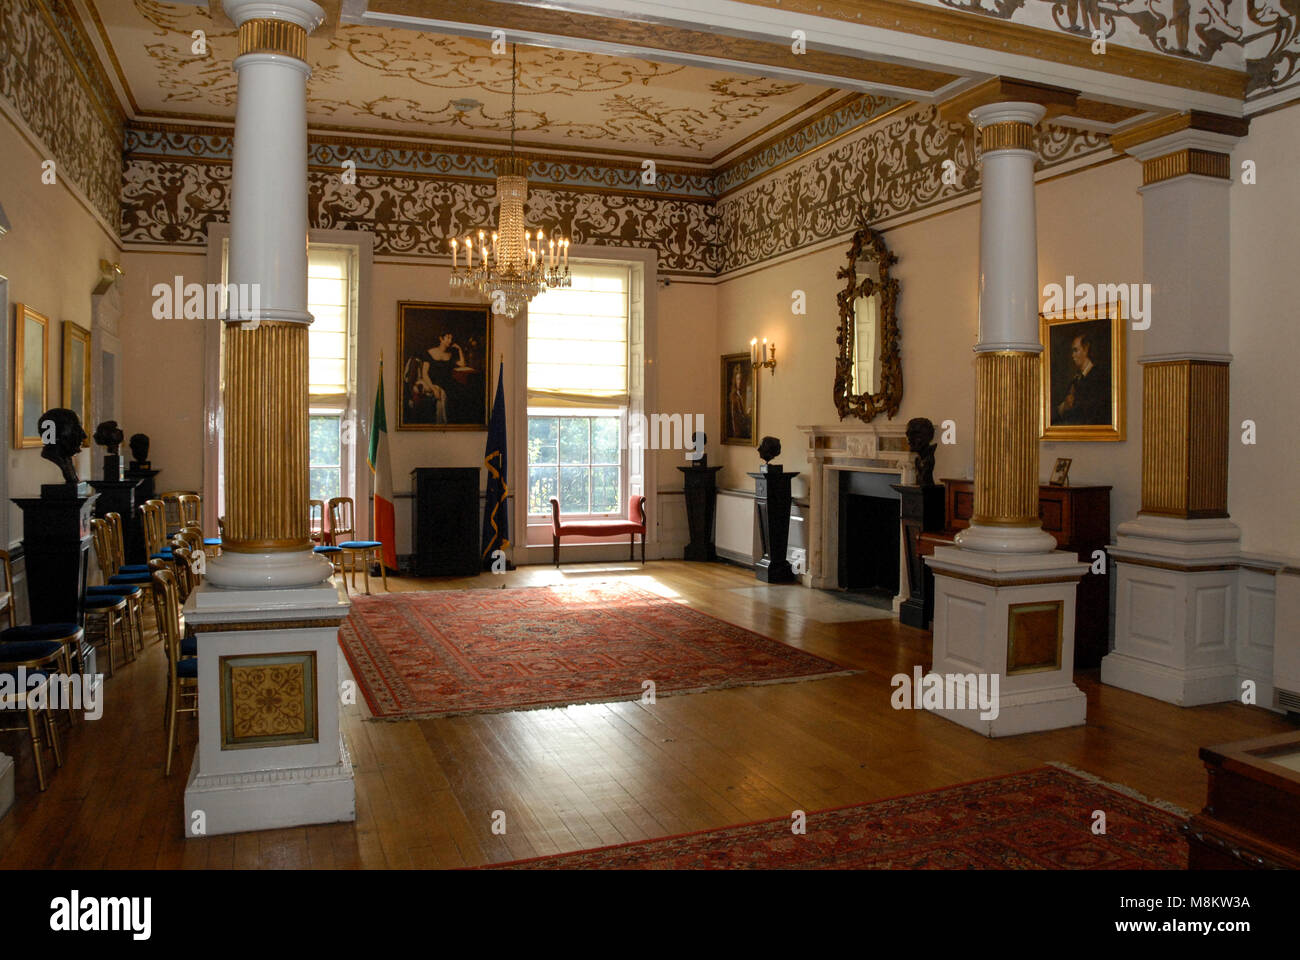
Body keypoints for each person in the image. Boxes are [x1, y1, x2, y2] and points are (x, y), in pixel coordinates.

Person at [405, 331, 467, 424]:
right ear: (441, 339)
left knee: (462, 393)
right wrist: (433, 389)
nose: (450, 340)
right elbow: (425, 374)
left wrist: (459, 349)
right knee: (447, 396)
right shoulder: (430, 352)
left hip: (449, 382)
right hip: (436, 382)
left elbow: (462, 364)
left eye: (451, 338)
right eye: (448, 338)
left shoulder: (450, 354)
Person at [1055, 332, 1109, 425]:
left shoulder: (1099, 377)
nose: (1073, 355)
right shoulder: (1076, 380)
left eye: (1076, 350)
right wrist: (1064, 406)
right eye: (1072, 351)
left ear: (1086, 349)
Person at [728, 366, 751, 439]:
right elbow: (737, 417)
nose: (740, 381)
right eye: (738, 379)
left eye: (741, 379)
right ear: (735, 381)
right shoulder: (734, 396)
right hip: (738, 432)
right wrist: (747, 414)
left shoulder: (739, 395)